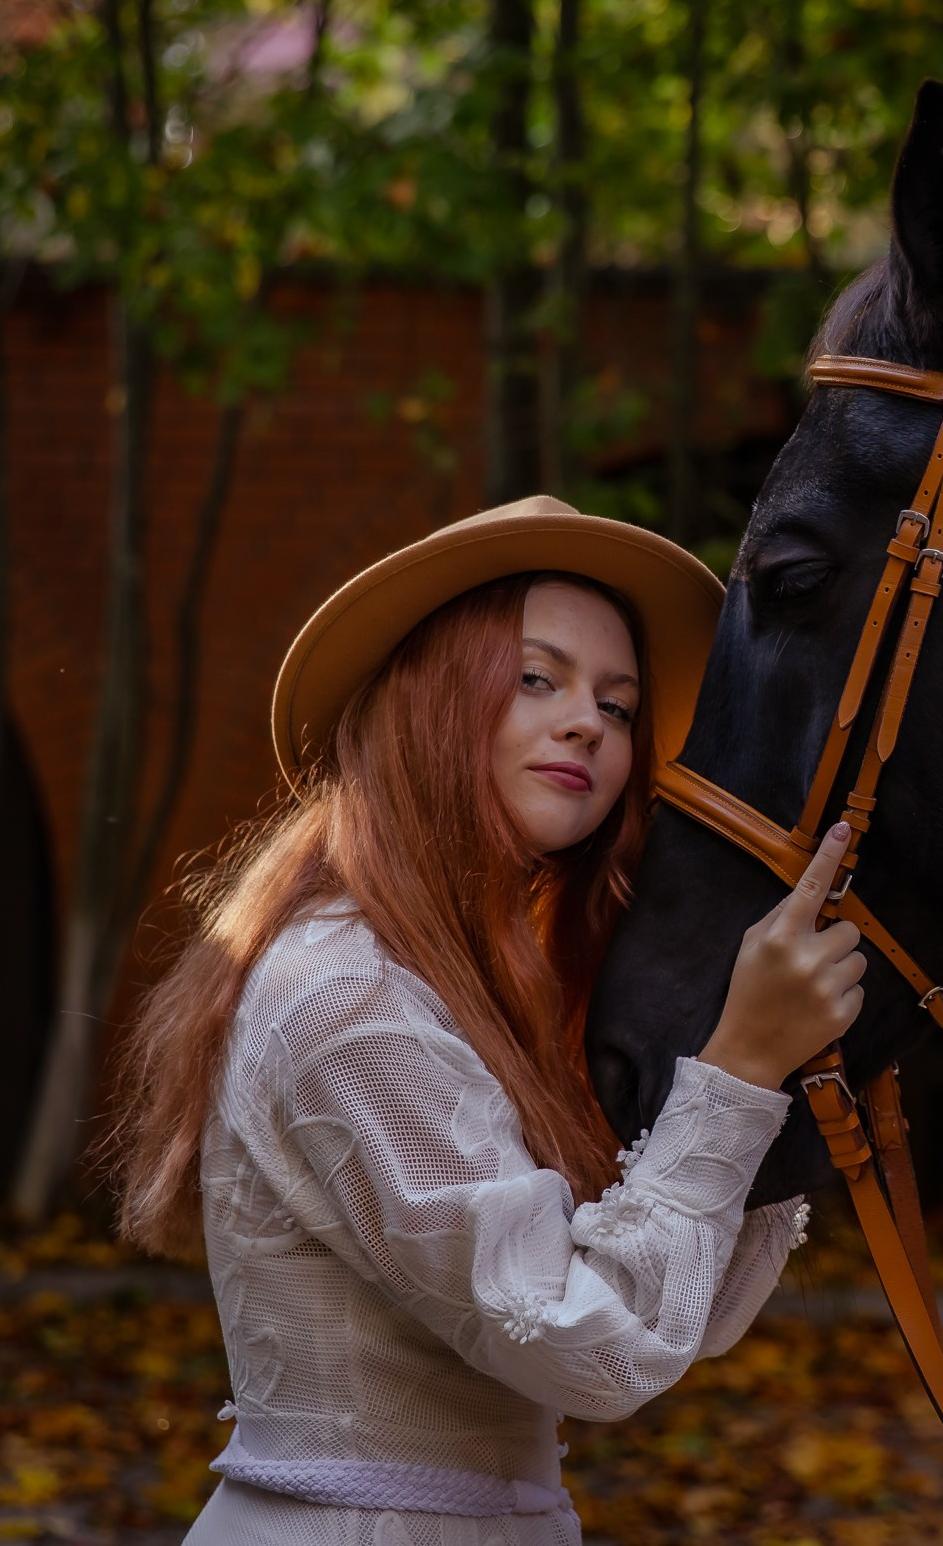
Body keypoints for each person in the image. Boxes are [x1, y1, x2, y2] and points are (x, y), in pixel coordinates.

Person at [106, 496, 864, 1544]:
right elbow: (596, 1350)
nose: (587, 723)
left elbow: (682, 1321)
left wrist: (771, 1067)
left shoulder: (477, 986)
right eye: (536, 679)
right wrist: (737, 1071)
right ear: (429, 700)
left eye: (620, 704)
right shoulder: (349, 998)